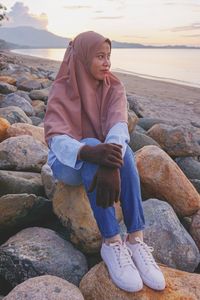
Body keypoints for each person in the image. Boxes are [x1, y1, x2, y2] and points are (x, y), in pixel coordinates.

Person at [44, 31, 166, 293]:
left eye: (109, 56)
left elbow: (119, 128)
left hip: (101, 157)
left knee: (125, 151)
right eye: (100, 57)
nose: (107, 63)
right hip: (69, 164)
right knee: (90, 143)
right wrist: (90, 152)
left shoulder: (114, 86)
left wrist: (110, 162)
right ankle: (111, 242)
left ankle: (135, 239)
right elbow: (56, 139)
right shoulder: (61, 89)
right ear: (82, 58)